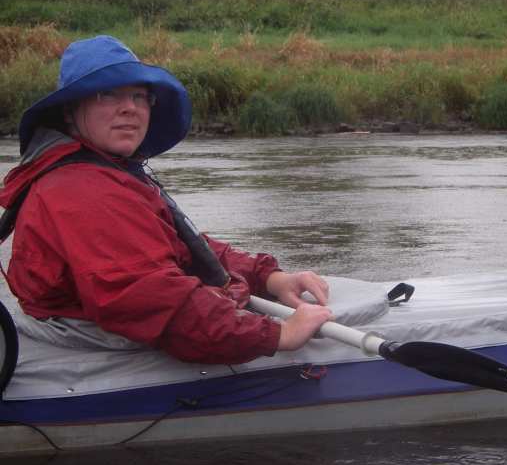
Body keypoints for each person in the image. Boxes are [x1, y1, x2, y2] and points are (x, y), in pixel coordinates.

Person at [0, 35, 333, 364]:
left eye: (139, 96)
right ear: (70, 110)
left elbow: (181, 248)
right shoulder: (81, 189)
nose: (130, 107)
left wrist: (269, 278)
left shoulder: (103, 170)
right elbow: (153, 298)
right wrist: (279, 335)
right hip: (95, 347)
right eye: (107, 94)